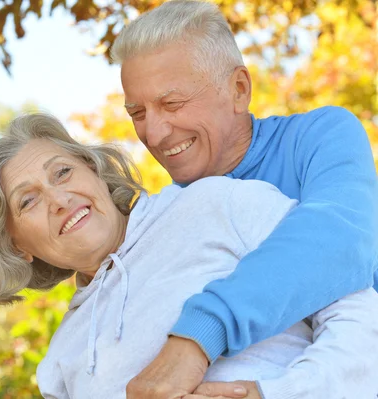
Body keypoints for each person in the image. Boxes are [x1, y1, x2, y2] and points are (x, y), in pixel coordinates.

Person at [0, 113, 378, 399]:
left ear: (95, 171)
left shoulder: (215, 203)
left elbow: (360, 312)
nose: (59, 199)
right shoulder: (59, 363)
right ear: (17, 246)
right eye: (28, 201)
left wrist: (275, 394)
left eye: (63, 172)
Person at [109, 1, 378, 397]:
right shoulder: (163, 215)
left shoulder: (319, 135)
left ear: (238, 90)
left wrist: (198, 336)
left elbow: (342, 238)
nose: (154, 133)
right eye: (137, 113)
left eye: (172, 104)